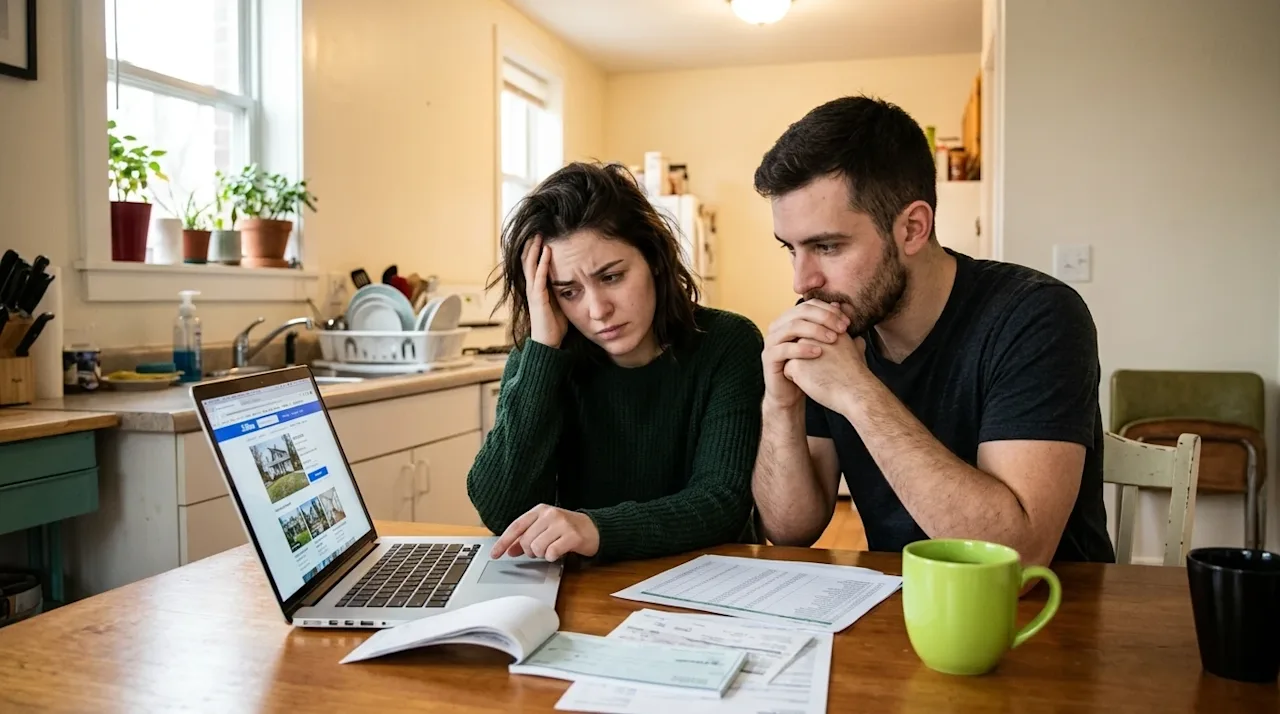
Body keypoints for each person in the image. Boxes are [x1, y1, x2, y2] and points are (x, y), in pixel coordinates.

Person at [749, 95, 1115, 567]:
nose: (803, 281)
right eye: (791, 249)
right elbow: (790, 529)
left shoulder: (1036, 316)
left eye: (827, 246)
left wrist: (859, 394)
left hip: (1049, 616)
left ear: (913, 228)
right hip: (902, 610)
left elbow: (1016, 558)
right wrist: (780, 404)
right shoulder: (834, 323)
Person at [467, 161, 765, 564]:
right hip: (584, 591)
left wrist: (595, 529)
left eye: (611, 277)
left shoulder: (728, 343)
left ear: (655, 260)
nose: (597, 310)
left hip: (707, 582)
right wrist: (542, 351)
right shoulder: (544, 354)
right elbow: (500, 511)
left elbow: (721, 502)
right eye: (569, 291)